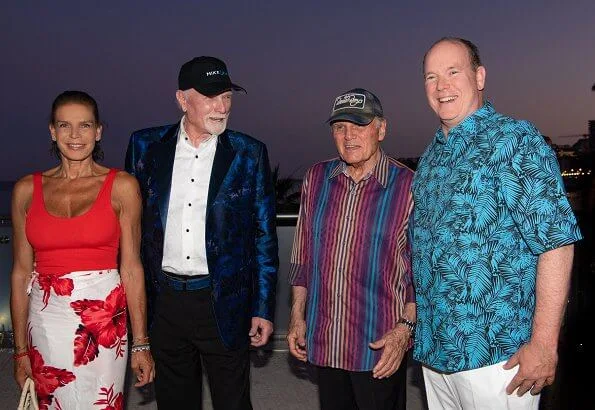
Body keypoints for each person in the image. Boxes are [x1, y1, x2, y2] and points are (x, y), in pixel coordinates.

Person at [410, 37, 583, 409]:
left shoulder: (514, 140)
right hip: (435, 355)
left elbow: (556, 242)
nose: (442, 86)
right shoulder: (428, 160)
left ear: (480, 76)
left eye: (453, 72)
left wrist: (544, 343)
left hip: (497, 359)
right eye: (431, 76)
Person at [125, 56, 278, 409]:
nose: (221, 106)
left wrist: (264, 307)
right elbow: (129, 230)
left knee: (233, 401)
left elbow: (264, 237)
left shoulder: (249, 153)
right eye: (210, 96)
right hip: (164, 301)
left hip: (222, 299)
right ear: (182, 99)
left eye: (226, 96)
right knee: (175, 401)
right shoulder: (145, 147)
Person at [10, 90, 154, 409]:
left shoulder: (123, 186)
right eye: (65, 126)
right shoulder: (25, 190)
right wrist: (20, 350)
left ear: (98, 130)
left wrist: (141, 343)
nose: (75, 136)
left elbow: (131, 268)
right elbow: (21, 274)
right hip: (46, 320)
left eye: (85, 126)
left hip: (103, 321)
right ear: (52, 130)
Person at [287, 88, 415, 410]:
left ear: (381, 129)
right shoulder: (316, 179)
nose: (349, 136)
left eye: (359, 125)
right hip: (326, 339)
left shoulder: (410, 187)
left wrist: (404, 330)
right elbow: (302, 256)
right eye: (340, 127)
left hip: (378, 345)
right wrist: (297, 315)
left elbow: (422, 274)